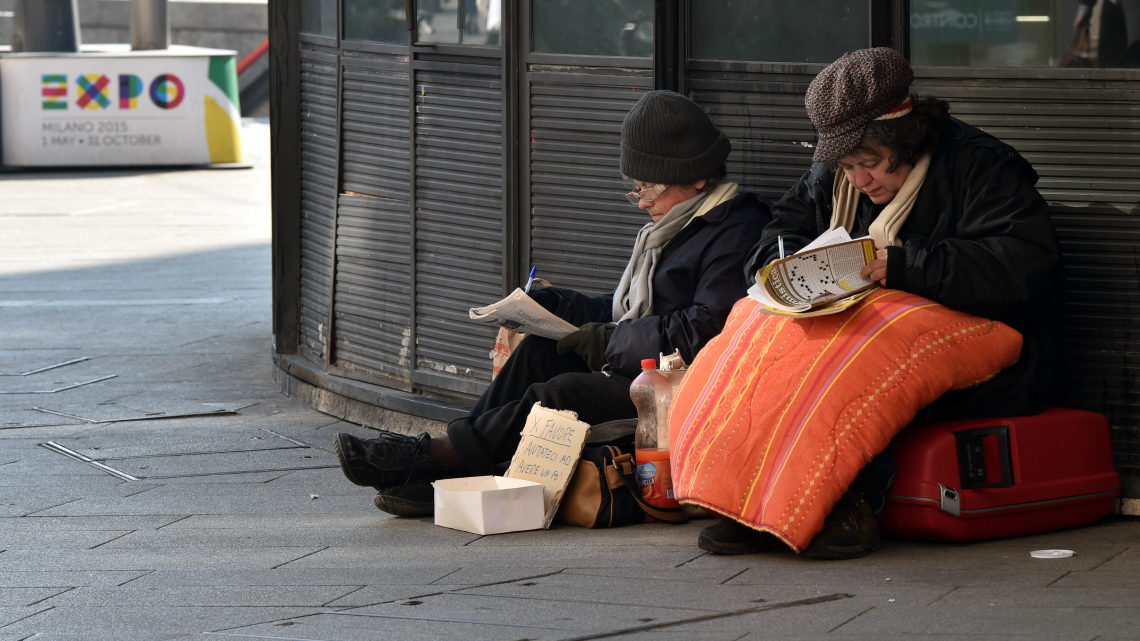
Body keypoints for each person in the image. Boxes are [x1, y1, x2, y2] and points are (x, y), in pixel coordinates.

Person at [697, 47, 1062, 559]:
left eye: (869, 163)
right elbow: (782, 227)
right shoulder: (836, 174)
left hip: (993, 344)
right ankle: (741, 493)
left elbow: (1023, 266)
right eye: (846, 165)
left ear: (905, 139)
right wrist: (780, 265)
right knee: (757, 328)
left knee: (858, 356)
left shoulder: (980, 167)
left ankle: (846, 498)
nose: (858, 181)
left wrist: (908, 265)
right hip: (863, 322)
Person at [333, 91, 773, 516]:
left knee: (560, 394)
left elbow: (707, 330)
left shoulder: (736, 230)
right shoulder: (675, 223)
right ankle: (455, 469)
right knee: (541, 351)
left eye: (650, 187)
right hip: (638, 363)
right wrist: (558, 307)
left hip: (676, 388)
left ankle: (436, 456)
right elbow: (627, 312)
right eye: (635, 189)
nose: (642, 202)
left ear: (697, 175)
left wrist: (610, 340)